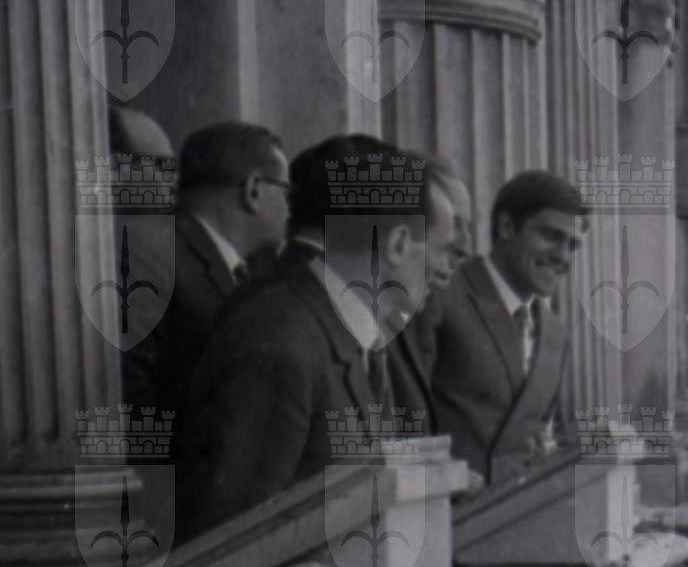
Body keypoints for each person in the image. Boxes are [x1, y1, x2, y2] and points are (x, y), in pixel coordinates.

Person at [174, 135, 453, 538]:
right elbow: (228, 542)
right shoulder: (280, 341)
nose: (445, 269)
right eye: (441, 249)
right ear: (397, 244)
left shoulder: (350, 338)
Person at [424, 169, 586, 490]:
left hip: (517, 513)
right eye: (551, 236)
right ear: (507, 227)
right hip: (442, 510)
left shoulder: (556, 335)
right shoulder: (441, 294)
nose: (562, 257)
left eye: (572, 245)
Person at [122, 122, 291, 426]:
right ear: (253, 190)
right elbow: (129, 394)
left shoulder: (252, 268)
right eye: (286, 193)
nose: (290, 210)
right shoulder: (152, 256)